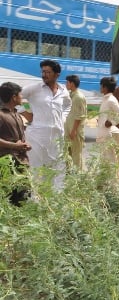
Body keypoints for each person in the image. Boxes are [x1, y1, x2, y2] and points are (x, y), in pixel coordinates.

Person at [19, 59, 71, 191]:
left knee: (58, 167)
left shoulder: (63, 90)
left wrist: (62, 118)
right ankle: (35, 200)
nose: (44, 75)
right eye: (43, 72)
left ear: (57, 74)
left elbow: (68, 105)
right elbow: (15, 96)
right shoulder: (35, 88)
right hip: (37, 135)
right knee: (36, 168)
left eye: (48, 72)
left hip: (57, 136)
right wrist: (25, 113)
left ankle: (55, 200)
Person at [0, 82, 32, 205]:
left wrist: (24, 144)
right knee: (9, 197)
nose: (22, 97)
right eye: (20, 95)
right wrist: (14, 146)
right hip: (7, 163)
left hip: (21, 162)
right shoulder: (1, 115)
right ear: (14, 97)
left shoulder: (16, 114)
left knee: (23, 196)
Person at [97, 77, 119, 182]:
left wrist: (112, 122)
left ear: (104, 87)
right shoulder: (106, 99)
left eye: (101, 85)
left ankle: (114, 191)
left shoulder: (111, 100)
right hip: (103, 135)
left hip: (108, 136)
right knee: (105, 164)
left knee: (111, 165)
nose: (100, 87)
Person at [64, 75, 87, 170]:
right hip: (68, 130)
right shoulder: (71, 95)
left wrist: (73, 130)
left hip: (75, 131)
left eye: (67, 82)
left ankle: (80, 178)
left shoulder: (78, 97)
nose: (66, 84)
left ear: (72, 84)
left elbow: (80, 116)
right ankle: (68, 176)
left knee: (76, 156)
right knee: (67, 154)